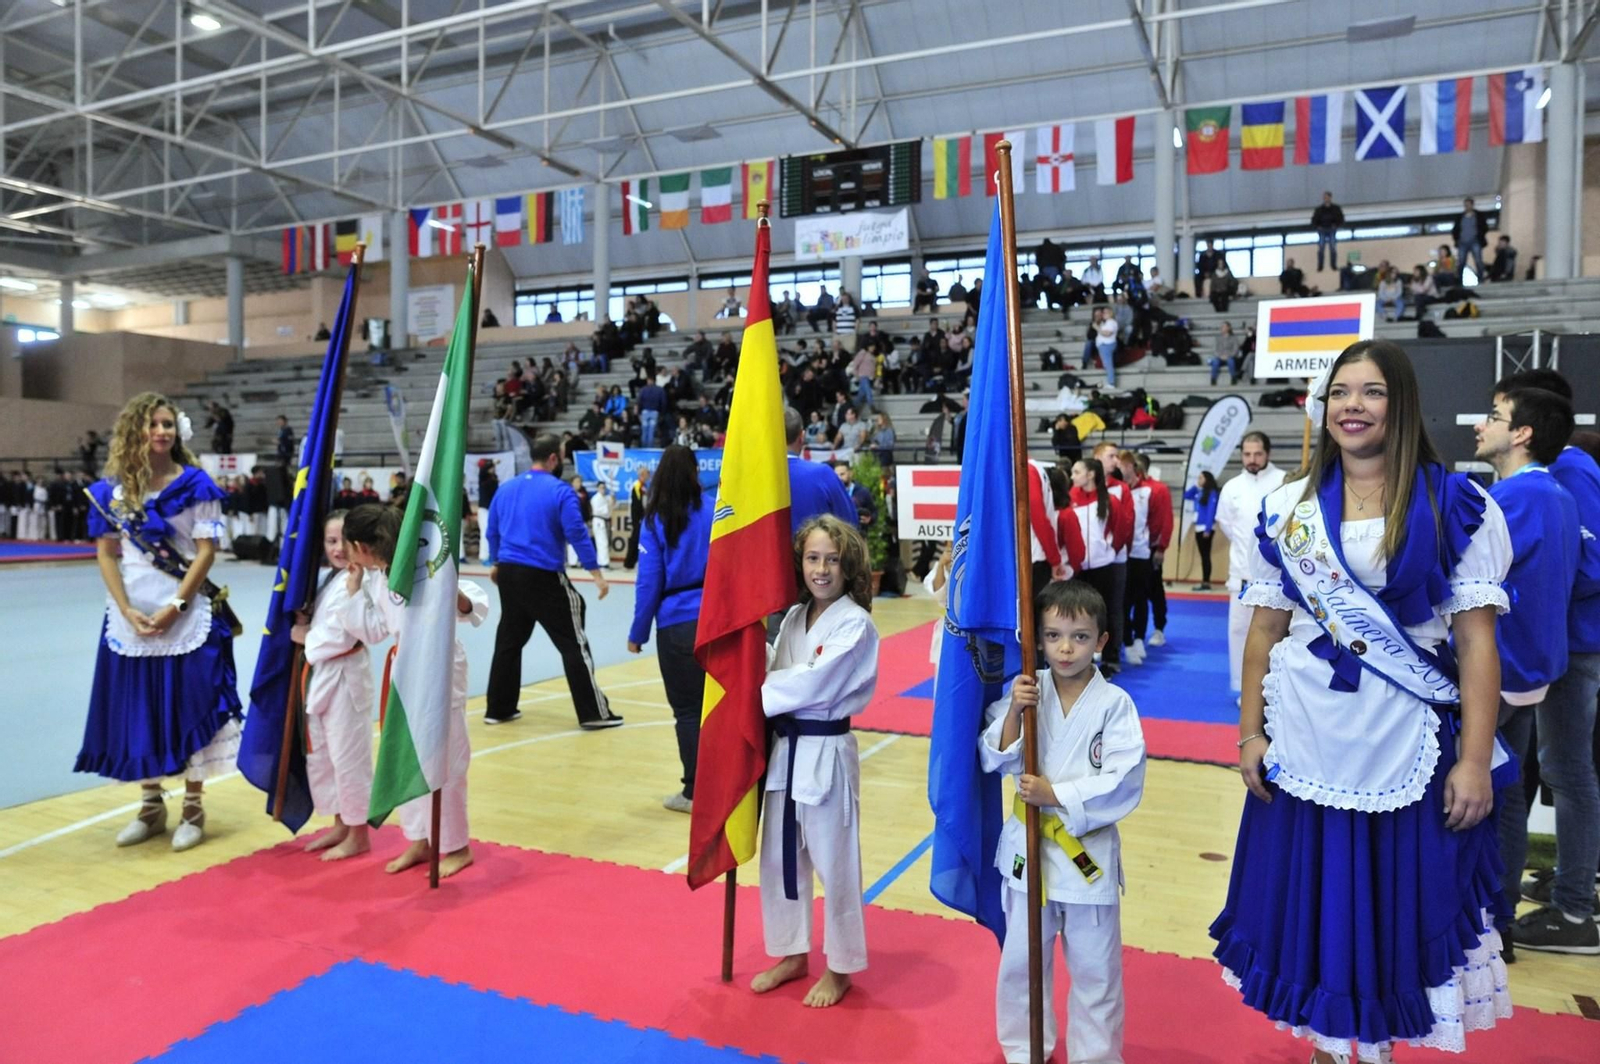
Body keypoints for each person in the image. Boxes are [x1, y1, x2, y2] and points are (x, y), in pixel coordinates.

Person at [1212, 340, 1515, 1062]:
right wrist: (1249, 733)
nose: (1352, 405)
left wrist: (1474, 759)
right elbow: (1264, 629)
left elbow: (1476, 644)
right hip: (1306, 733)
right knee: (1315, 892)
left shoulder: (1453, 503)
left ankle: (1374, 1037)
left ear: (1400, 403)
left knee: (1392, 893)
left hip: (1403, 734)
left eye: (1372, 391)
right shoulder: (1287, 506)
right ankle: (1326, 1040)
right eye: (1341, 392)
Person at [981, 580, 1146, 1064]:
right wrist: (1015, 709)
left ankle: (1094, 1057)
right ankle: (1023, 1047)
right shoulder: (1029, 690)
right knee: (1021, 961)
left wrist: (1056, 794)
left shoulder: (1115, 705)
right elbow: (998, 754)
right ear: (1038, 640)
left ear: (1101, 641)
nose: (1065, 648)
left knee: (1096, 971)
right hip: (1027, 849)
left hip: (1085, 855)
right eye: (1052, 636)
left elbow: (1125, 779)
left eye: (1078, 636)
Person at [78, 393, 240, 852]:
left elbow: (206, 552)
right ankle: (150, 805)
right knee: (139, 707)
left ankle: (193, 806)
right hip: (130, 616)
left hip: (184, 615)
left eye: (168, 424)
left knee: (188, 706)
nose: (162, 432)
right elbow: (107, 554)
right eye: (153, 424)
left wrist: (176, 606)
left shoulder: (196, 484)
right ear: (136, 432)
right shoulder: (110, 493)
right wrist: (126, 607)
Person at [1490, 369, 1600, 954]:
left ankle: (1576, 906)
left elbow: (1592, 561)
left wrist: (1549, 597)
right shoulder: (1550, 485)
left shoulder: (1563, 475)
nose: (1487, 420)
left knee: (1564, 773)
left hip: (1560, 647)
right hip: (1548, 649)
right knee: (1520, 780)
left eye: (1499, 409)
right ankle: (1534, 900)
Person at [750, 515, 878, 1009]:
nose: (821, 569)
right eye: (812, 558)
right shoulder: (795, 619)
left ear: (848, 567)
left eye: (831, 560)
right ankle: (791, 952)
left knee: (835, 863)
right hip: (788, 749)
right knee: (782, 860)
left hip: (826, 752)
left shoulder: (855, 624)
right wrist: (745, 652)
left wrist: (755, 691)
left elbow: (813, 682)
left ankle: (841, 966)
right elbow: (781, 670)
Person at [339, 504, 488, 878]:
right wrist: (354, 590)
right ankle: (421, 839)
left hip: (437, 665)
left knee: (447, 759)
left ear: (361, 545)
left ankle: (457, 846)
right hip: (403, 669)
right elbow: (373, 631)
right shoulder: (375, 577)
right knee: (409, 757)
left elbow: (473, 602)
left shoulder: (425, 562)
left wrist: (457, 598)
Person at [484, 434, 620, 729]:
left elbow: (492, 531)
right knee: (573, 640)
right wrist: (596, 573)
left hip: (509, 572)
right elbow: (576, 533)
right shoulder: (561, 491)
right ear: (554, 459)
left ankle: (499, 708)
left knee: (509, 640)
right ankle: (593, 713)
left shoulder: (506, 489)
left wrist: (496, 562)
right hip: (542, 574)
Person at [626, 446, 714, 814]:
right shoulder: (716, 509)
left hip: (677, 624)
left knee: (688, 711)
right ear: (696, 473)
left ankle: (695, 792)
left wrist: (638, 632)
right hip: (716, 619)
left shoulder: (656, 520)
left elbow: (649, 582)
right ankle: (734, 783)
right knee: (722, 706)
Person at [292, 511, 376, 862]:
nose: (338, 548)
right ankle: (341, 824)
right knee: (324, 755)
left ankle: (359, 834)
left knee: (349, 757)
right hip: (321, 676)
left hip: (345, 676)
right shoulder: (328, 578)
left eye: (344, 540)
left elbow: (344, 635)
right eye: (330, 541)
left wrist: (304, 636)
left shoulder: (362, 580)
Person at [1215, 432, 1286, 696]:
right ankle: (1243, 689)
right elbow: (1227, 525)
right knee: (1238, 632)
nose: (1252, 459)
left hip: (1276, 578)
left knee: (1277, 636)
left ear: (1267, 453)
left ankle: (1274, 689)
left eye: (1257, 454)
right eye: (1247, 454)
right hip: (1241, 574)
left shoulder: (1283, 482)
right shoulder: (1232, 487)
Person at [1132, 453, 1174, 648]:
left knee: (1154, 590)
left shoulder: (1158, 489)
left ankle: (1159, 629)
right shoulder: (1126, 489)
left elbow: (1166, 520)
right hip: (1130, 549)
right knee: (1133, 593)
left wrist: (1161, 548)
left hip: (1151, 547)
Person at [1183, 471, 1219, 590]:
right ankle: (1205, 581)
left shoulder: (1212, 493)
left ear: (1207, 479)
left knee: (1205, 555)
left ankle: (1206, 582)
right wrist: (1195, 486)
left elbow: (1211, 511)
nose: (1199, 479)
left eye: (1201, 478)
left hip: (1206, 528)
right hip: (1198, 527)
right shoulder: (1199, 492)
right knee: (1203, 555)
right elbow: (1186, 495)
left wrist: (1208, 529)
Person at [1452, 196, 1491, 282]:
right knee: (1461, 262)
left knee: (1478, 261)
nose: (1467, 207)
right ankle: (1460, 281)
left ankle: (1480, 279)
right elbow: (1455, 229)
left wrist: (1479, 235)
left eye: (1468, 205)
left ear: (1472, 205)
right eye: (1465, 205)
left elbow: (1484, 227)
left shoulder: (1479, 216)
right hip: (1462, 242)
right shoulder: (1460, 217)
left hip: (1475, 241)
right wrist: (1457, 239)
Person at [625, 466, 650, 569]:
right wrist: (637, 518)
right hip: (638, 518)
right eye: (647, 474)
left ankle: (633, 561)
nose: (648, 476)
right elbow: (636, 504)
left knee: (639, 540)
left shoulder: (644, 486)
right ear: (642, 475)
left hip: (642, 517)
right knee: (635, 539)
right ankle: (629, 563)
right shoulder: (637, 486)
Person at [1312, 190, 1344, 271]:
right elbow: (1314, 220)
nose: (1325, 199)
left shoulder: (1336, 208)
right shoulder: (1319, 209)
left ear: (1330, 198)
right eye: (1324, 197)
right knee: (1321, 248)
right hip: (1322, 230)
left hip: (1332, 229)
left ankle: (1333, 265)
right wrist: (1318, 226)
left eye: (1326, 197)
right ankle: (1320, 266)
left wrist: (1336, 225)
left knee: (1332, 247)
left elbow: (1341, 218)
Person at [1210, 322, 1241, 386]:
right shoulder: (1217, 338)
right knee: (1215, 362)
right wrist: (1220, 356)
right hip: (1220, 357)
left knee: (1231, 361)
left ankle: (1233, 377)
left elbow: (1236, 349)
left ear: (1228, 328)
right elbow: (1214, 349)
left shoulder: (1234, 338)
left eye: (1224, 326)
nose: (1222, 328)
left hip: (1229, 356)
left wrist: (1229, 356)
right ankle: (1213, 379)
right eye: (1222, 327)